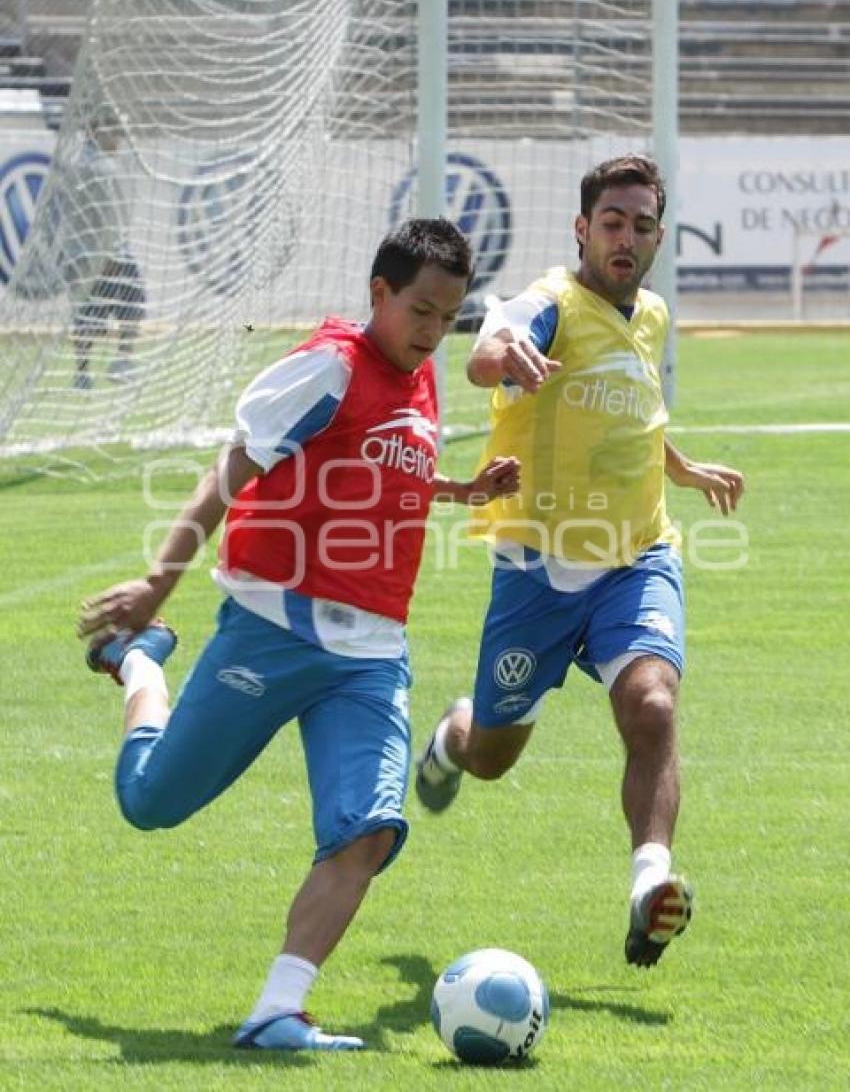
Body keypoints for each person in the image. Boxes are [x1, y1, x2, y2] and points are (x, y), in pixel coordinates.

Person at [77, 217, 519, 1051]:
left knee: (370, 829)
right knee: (151, 804)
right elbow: (230, 470)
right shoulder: (329, 365)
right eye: (420, 310)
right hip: (271, 633)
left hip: (373, 655)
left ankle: (278, 1009)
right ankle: (141, 667)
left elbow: (384, 469)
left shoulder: (421, 379)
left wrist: (462, 488)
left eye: (447, 317)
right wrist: (154, 585)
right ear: (378, 294)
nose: (431, 333)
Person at [415, 155, 745, 969]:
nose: (625, 237)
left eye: (640, 224)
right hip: (537, 573)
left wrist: (681, 466)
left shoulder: (653, 314)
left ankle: (649, 885)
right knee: (493, 757)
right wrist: (502, 356)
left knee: (654, 708)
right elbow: (491, 346)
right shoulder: (551, 305)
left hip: (636, 556)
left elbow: (630, 405)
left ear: (657, 235)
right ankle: (453, 738)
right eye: (611, 222)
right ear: (582, 229)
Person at [68, 116, 146, 389]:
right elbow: (104, 217)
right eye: (114, 132)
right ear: (95, 133)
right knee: (129, 304)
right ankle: (119, 362)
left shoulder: (80, 163)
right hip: (103, 253)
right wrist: (107, 256)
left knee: (90, 314)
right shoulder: (100, 168)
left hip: (85, 253)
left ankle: (83, 373)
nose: (119, 139)